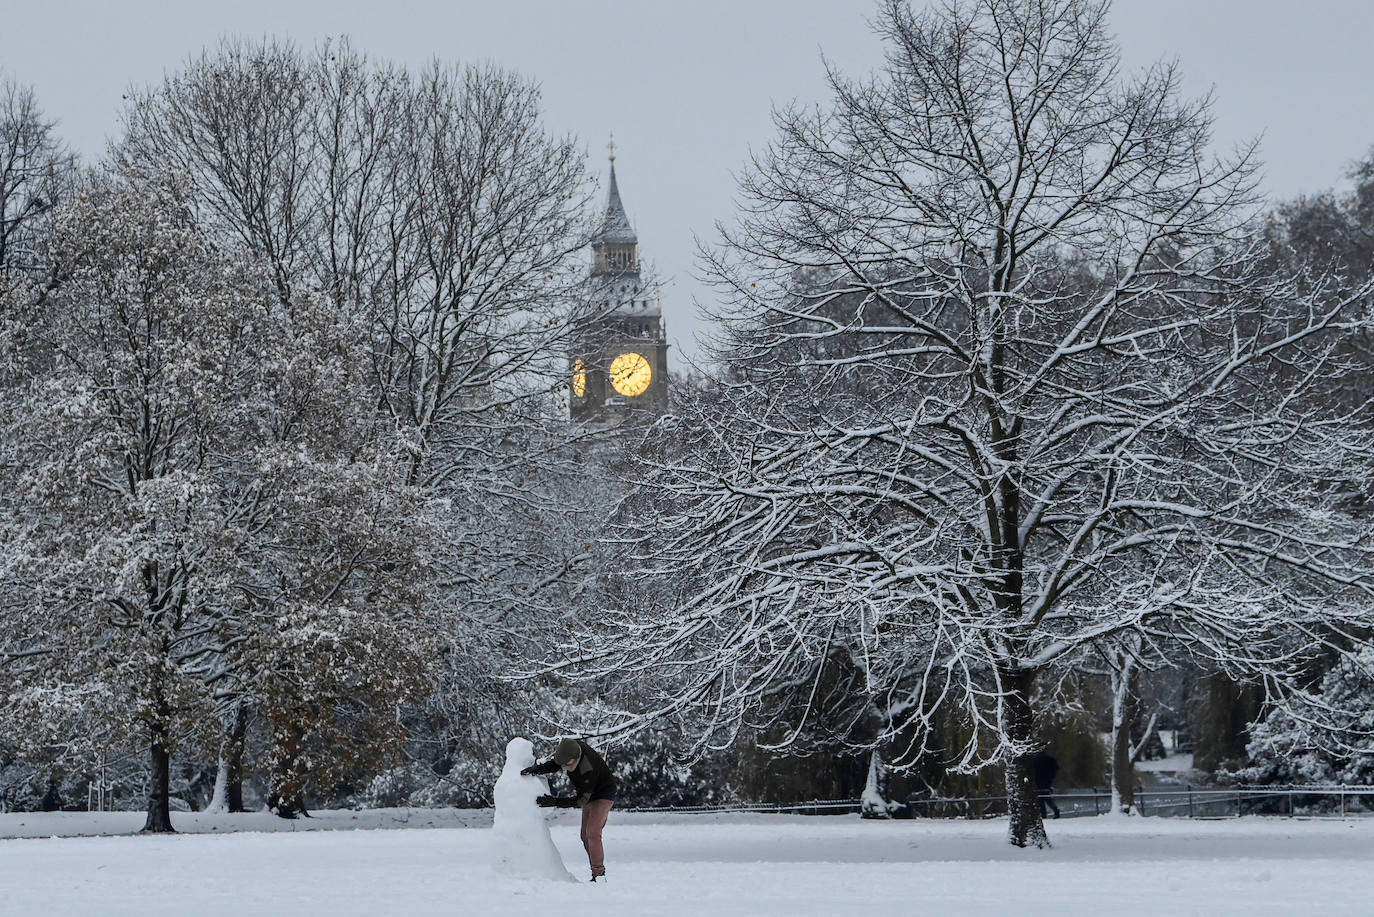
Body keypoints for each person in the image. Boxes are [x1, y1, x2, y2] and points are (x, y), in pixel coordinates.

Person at [522, 737, 618, 882]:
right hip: (587, 793)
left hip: (603, 794)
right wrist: (537, 769)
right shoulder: (568, 749)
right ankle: (595, 870)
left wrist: (554, 802)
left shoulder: (587, 768)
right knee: (584, 836)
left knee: (592, 832)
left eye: (568, 764)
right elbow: (556, 764)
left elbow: (580, 800)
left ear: (576, 758)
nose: (565, 767)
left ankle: (599, 875)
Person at [1032, 751, 1061, 819]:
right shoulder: (1050, 759)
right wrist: (1052, 776)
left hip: (1038, 780)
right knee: (1046, 796)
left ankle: (1044, 814)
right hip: (1047, 780)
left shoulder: (1035, 759)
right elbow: (1056, 768)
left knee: (1041, 798)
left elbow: (1033, 770)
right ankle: (1054, 811)